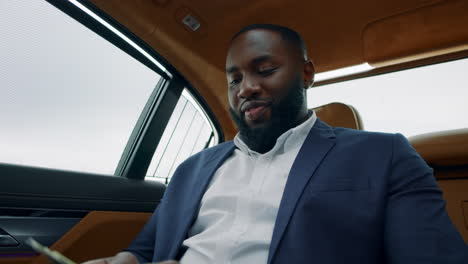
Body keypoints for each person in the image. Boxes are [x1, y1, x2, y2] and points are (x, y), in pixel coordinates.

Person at [84, 24, 468, 264]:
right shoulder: (191, 169)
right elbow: (147, 251)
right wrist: (127, 259)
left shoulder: (385, 155)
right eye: (234, 80)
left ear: (306, 74)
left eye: (265, 70)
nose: (246, 87)